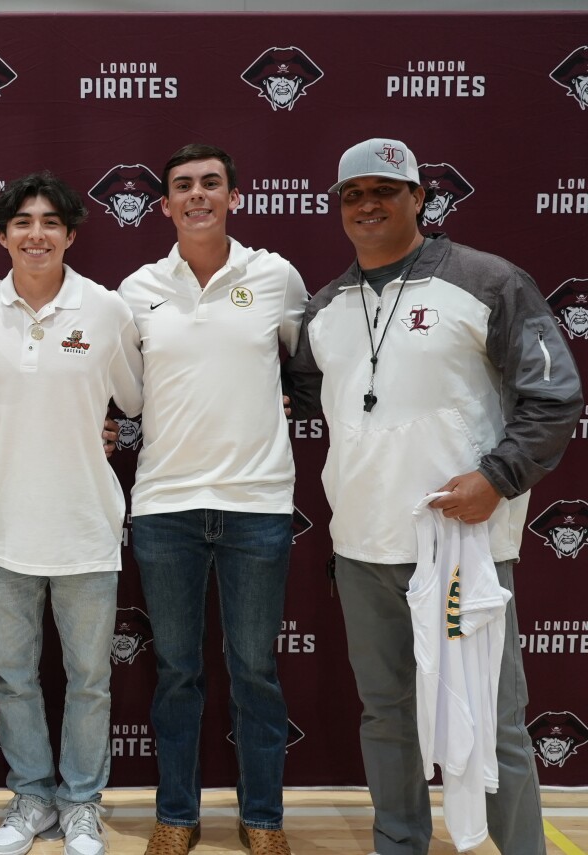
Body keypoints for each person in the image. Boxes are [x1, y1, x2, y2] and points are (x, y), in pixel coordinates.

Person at [287, 137, 583, 855]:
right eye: (353, 194)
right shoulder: (324, 308)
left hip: (460, 545)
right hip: (362, 547)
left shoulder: (488, 282)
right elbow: (313, 400)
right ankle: (400, 843)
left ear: (420, 197)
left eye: (386, 191)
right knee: (386, 716)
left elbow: (554, 396)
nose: (368, 205)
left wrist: (500, 477)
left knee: (493, 719)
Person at [116, 144, 308, 855]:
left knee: (255, 667)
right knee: (177, 672)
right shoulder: (137, 289)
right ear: (163, 205)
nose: (198, 195)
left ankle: (263, 817)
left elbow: (311, 362)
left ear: (235, 197)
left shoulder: (275, 276)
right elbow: (124, 388)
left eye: (211, 184)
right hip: (165, 504)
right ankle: (177, 812)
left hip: (256, 503)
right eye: (183, 187)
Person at [0, 172, 143, 855]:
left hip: (87, 528)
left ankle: (83, 802)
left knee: (91, 679)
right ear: (2, 235)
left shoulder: (107, 309)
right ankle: (32, 795)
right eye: (23, 222)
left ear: (70, 234)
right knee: (14, 677)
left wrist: (114, 430)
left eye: (51, 222)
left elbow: (134, 401)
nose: (37, 233)